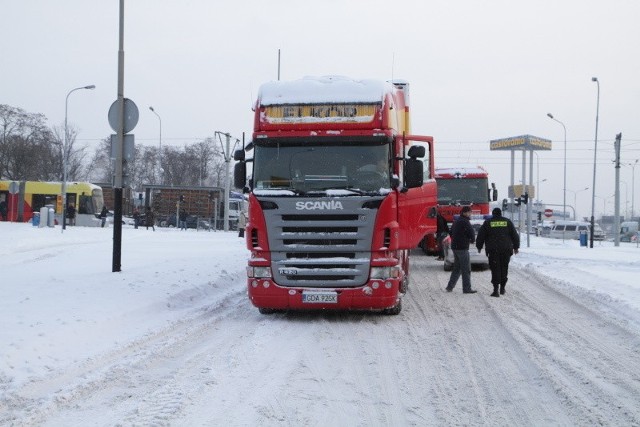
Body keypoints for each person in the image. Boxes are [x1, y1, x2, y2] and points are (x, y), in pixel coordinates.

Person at [476, 207, 520, 297]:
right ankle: (502, 288)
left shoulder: (488, 222)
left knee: (495, 268)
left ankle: (496, 290)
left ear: (493, 214)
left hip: (493, 250)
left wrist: (479, 246)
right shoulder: (507, 222)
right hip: (506, 249)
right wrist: (516, 247)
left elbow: (481, 236)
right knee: (504, 267)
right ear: (500, 214)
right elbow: (515, 235)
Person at [445, 206, 477, 294]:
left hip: (455, 247)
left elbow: (450, 233)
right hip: (462, 248)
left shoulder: (456, 221)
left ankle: (449, 287)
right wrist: (472, 240)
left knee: (457, 268)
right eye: (470, 212)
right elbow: (471, 233)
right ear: (465, 213)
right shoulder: (465, 221)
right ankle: (467, 288)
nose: (470, 214)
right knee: (466, 269)